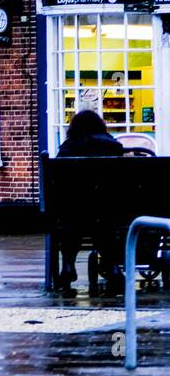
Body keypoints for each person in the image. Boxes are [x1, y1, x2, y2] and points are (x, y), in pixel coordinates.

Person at [56, 109, 126, 288]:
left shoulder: (67, 148)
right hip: (107, 210)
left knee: (71, 222)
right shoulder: (113, 146)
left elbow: (58, 183)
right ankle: (112, 266)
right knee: (107, 225)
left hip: (75, 211)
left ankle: (68, 265)